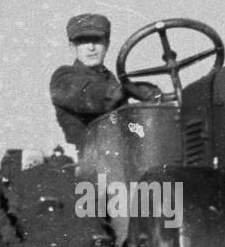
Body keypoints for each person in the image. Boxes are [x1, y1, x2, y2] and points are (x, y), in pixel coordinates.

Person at [49, 13, 160, 151]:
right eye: (83, 41)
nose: (91, 47)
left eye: (97, 40)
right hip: (91, 162)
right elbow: (93, 96)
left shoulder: (109, 78)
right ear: (72, 47)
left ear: (107, 44)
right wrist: (128, 89)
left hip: (122, 154)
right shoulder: (63, 77)